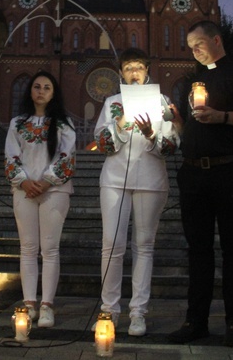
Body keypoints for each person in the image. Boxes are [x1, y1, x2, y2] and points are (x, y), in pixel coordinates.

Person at [169, 21, 233, 347]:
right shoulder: (190, 81)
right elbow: (191, 130)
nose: (194, 50)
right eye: (190, 45)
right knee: (198, 250)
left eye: (198, 43)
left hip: (229, 171)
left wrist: (222, 116)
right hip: (193, 174)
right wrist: (176, 121)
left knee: (232, 248)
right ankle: (195, 321)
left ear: (216, 39)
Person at [93, 48, 180, 336]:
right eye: (128, 67)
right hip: (115, 179)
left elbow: (171, 145)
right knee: (112, 244)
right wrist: (118, 125)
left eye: (138, 67)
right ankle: (110, 309)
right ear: (121, 74)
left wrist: (152, 135)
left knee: (144, 246)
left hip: (151, 179)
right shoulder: (112, 103)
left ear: (147, 72)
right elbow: (102, 145)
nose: (134, 72)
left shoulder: (162, 102)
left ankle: (138, 312)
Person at [5, 71, 76, 328]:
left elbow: (66, 158)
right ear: (30, 91)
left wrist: (45, 182)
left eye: (47, 87)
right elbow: (11, 156)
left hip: (54, 191)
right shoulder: (17, 124)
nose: (41, 91)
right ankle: (29, 303)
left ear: (53, 93)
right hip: (24, 190)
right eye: (37, 86)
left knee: (50, 249)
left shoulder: (63, 124)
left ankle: (47, 305)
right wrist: (23, 181)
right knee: (27, 248)